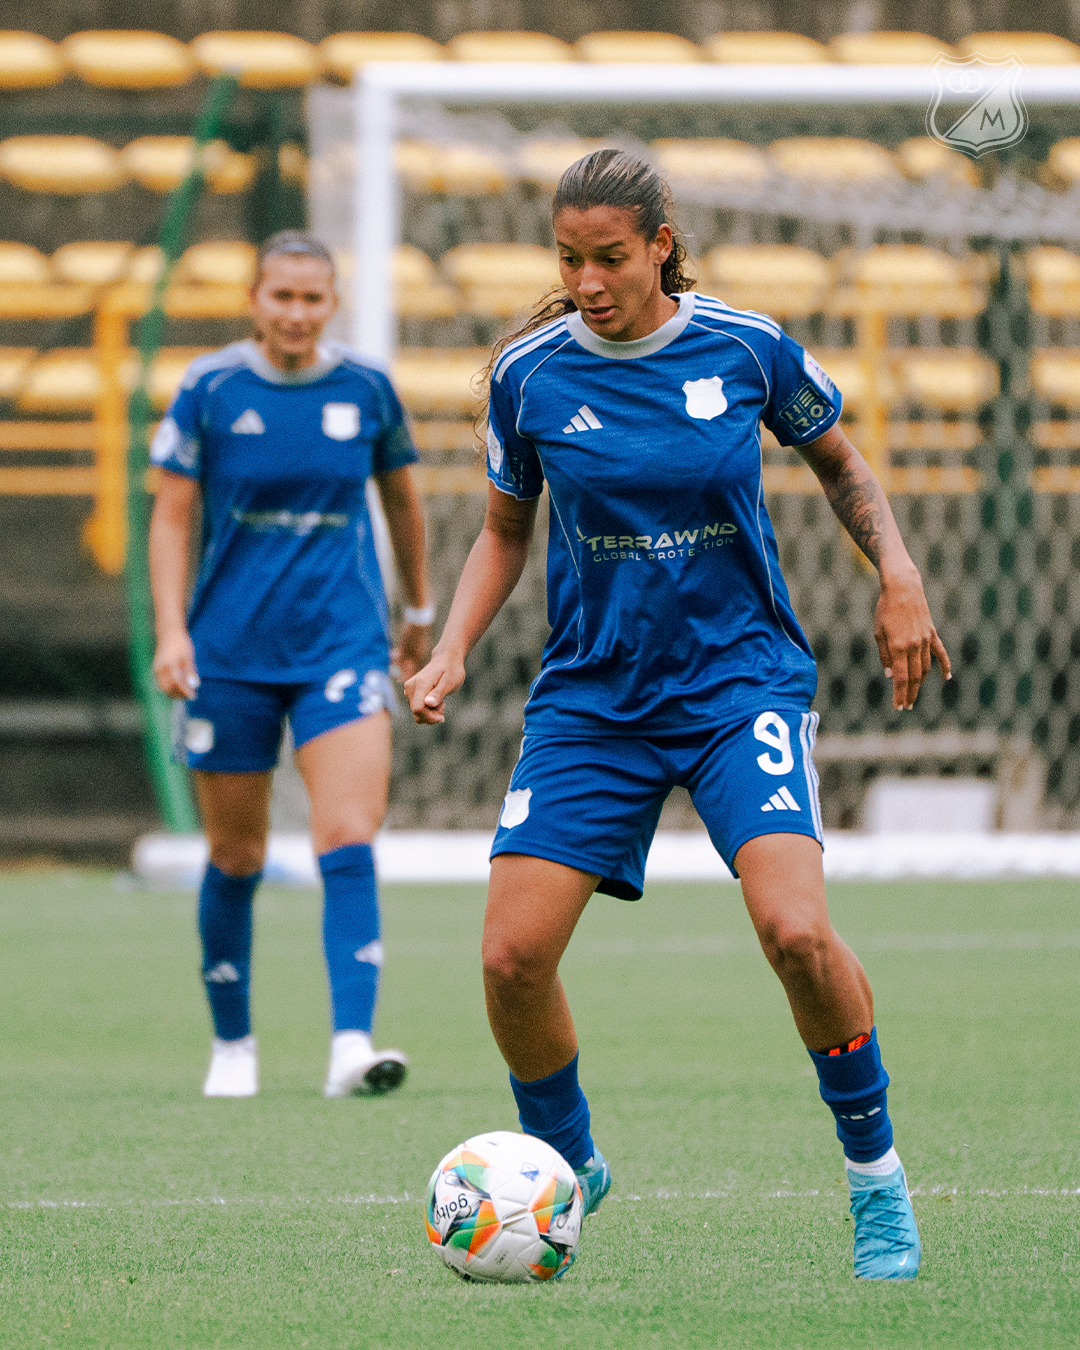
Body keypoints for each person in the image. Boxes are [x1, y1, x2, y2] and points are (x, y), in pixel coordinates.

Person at [406, 151, 950, 1279]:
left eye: (609, 257)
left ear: (661, 244)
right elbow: (505, 530)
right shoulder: (528, 376)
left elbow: (843, 465)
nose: (587, 281)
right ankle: (567, 1166)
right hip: (596, 697)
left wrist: (897, 573)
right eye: (569, 259)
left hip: (738, 683)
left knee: (796, 933)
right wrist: (452, 648)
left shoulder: (747, 349)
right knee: (510, 959)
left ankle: (876, 1181)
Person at [149, 230, 433, 1100]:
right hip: (228, 651)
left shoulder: (367, 389)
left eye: (313, 298)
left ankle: (352, 1043)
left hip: (340, 644)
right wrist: (172, 631)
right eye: (283, 296)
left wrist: (419, 611)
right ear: (254, 299)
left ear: (333, 303)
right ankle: (233, 1044)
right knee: (236, 853)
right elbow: (170, 519)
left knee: (346, 834)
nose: (298, 313)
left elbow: (403, 502)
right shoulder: (209, 389)